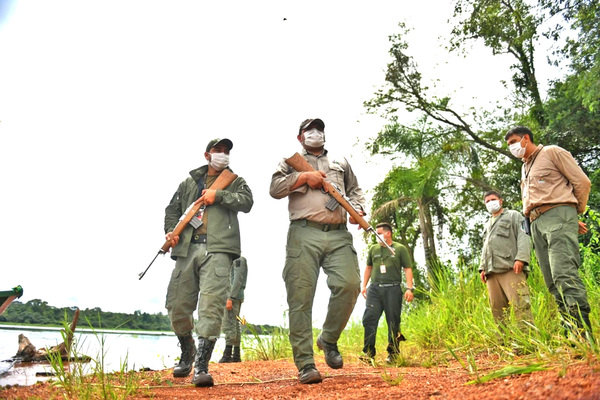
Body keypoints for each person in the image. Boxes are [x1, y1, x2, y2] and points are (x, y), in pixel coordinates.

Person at [269, 118, 366, 384]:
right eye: (309, 130)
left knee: (349, 284)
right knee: (300, 298)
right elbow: (274, 188)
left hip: (339, 234)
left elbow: (355, 190)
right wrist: (303, 177)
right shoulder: (289, 161)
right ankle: (305, 364)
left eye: (319, 129)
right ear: (300, 137)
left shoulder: (340, 161)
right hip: (303, 233)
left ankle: (328, 339)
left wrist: (358, 210)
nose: (315, 133)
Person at [164, 138, 253, 387]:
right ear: (207, 155)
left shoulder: (236, 181)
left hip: (219, 249)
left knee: (211, 306)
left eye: (226, 151)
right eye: (218, 150)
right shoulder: (188, 183)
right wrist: (171, 232)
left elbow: (247, 202)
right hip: (187, 249)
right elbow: (172, 210)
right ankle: (187, 350)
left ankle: (201, 367)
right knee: (177, 305)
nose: (222, 154)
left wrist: (219, 195)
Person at [505, 126, 592, 335]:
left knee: (564, 273)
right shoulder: (524, 167)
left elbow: (582, 182)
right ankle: (569, 333)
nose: (512, 147)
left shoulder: (552, 152)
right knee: (551, 281)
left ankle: (583, 334)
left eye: (513, 142)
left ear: (526, 138)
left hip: (557, 216)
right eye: (508, 145)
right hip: (536, 222)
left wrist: (571, 212)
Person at [360, 222, 414, 364]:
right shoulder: (373, 249)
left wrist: (409, 288)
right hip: (375, 289)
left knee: (393, 321)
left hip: (393, 289)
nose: (377, 236)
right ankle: (368, 353)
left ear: (388, 233)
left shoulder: (399, 249)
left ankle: (393, 354)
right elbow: (368, 267)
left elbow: (407, 269)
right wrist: (364, 285)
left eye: (379, 233)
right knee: (369, 318)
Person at [479, 190, 533, 327]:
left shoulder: (514, 216)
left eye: (493, 199)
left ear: (501, 200)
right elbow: (486, 246)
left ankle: (527, 341)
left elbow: (524, 235)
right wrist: (482, 268)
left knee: (520, 305)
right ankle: (503, 343)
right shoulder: (488, 224)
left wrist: (521, 258)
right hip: (491, 272)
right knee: (497, 310)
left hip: (511, 268)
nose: (491, 203)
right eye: (487, 201)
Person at [218, 256, 248, 363]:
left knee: (229, 323)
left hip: (233, 296)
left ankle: (227, 355)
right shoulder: (237, 260)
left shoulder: (238, 260)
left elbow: (237, 279)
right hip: (235, 296)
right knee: (235, 324)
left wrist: (231, 297)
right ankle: (235, 355)